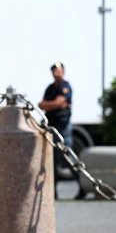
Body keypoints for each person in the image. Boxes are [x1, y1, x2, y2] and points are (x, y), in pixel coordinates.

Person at [38, 62, 86, 200]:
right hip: (51, 127)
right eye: (53, 71)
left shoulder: (66, 86)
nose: (55, 73)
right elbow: (42, 105)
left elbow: (57, 102)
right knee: (52, 161)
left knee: (69, 159)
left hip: (63, 128)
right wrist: (55, 104)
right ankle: (53, 191)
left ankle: (82, 188)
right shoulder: (50, 88)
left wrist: (51, 104)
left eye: (58, 71)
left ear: (63, 72)